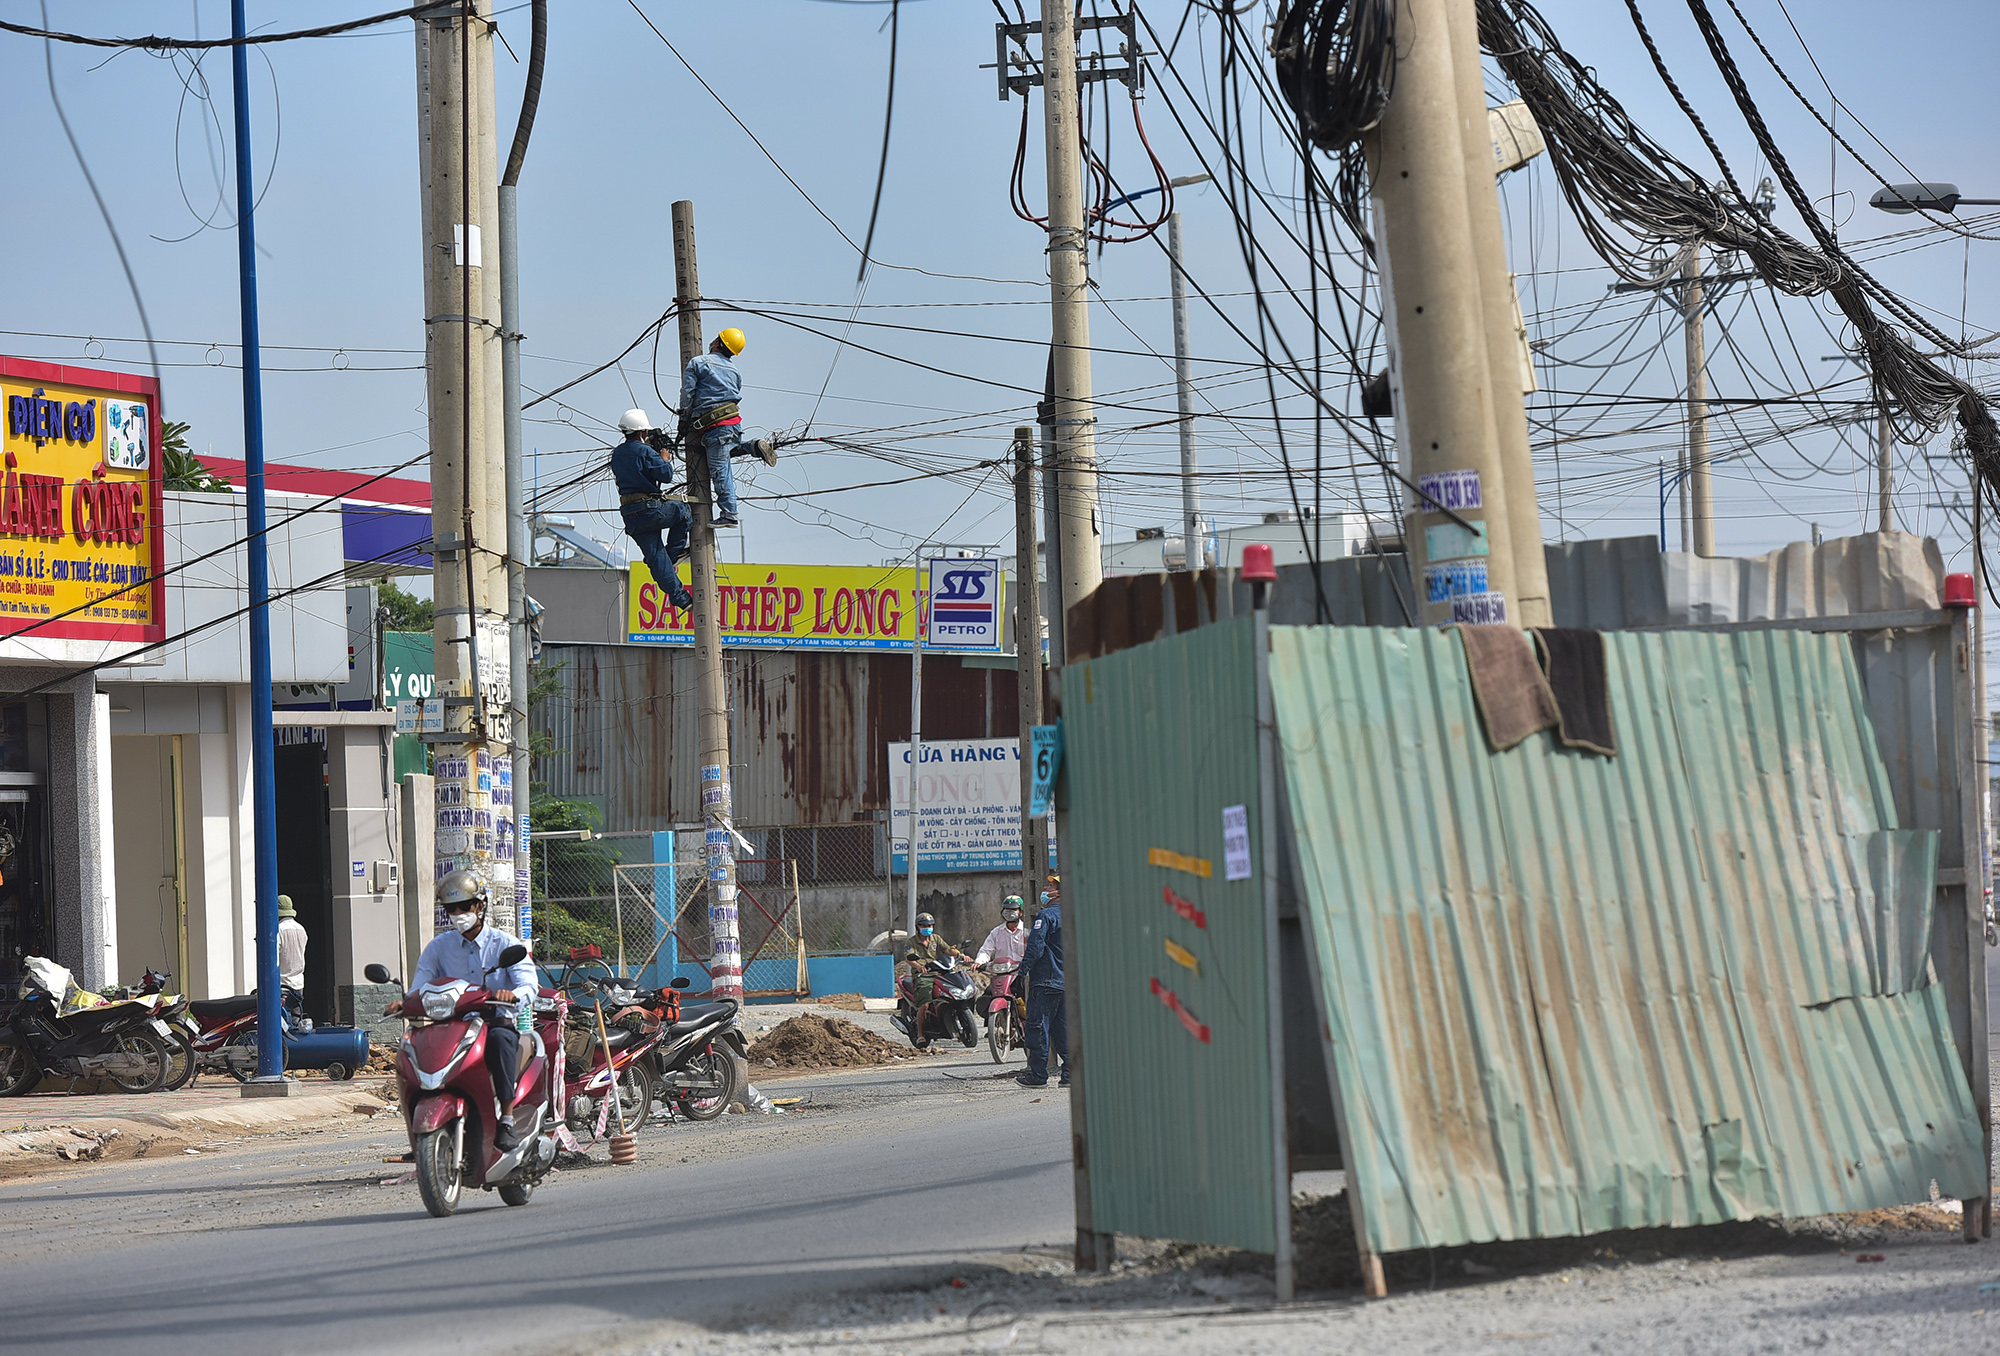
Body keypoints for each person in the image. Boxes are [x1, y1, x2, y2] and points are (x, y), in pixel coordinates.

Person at [385, 871, 538, 1151]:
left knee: (501, 1041)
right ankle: (419, 1128)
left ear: (480, 906)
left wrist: (512, 995)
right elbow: (421, 984)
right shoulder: (438, 948)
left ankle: (506, 1117)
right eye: (450, 909)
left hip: (493, 1022)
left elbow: (529, 984)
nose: (458, 914)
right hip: (450, 1026)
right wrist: (404, 1003)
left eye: (464, 906)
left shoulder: (506, 944)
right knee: (414, 1046)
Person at [678, 327, 776, 529]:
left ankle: (729, 513)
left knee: (720, 469)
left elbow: (687, 393)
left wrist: (683, 419)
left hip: (714, 426)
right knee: (726, 452)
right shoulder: (734, 371)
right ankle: (753, 446)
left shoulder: (698, 363)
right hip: (732, 424)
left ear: (718, 343)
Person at [611, 409, 694, 610]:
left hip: (630, 515)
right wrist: (664, 458)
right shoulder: (645, 451)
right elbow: (666, 475)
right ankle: (673, 554)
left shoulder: (617, 454)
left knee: (656, 556)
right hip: (650, 509)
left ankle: (680, 598)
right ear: (641, 433)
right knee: (684, 511)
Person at [1016, 880, 1067, 1088]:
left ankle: (1038, 1076)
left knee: (1038, 1027)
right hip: (1067, 983)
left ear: (1057, 892)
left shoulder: (1045, 916)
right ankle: (1070, 1075)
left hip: (1046, 980)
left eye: (1048, 887)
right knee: (1064, 1030)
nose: (1044, 890)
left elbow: (1035, 948)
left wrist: (1021, 973)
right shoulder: (1074, 916)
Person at [276, 894, 308, 1008]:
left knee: (282, 1020)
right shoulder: (301, 929)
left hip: (282, 985)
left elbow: (275, 957)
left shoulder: (279, 930)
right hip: (298, 983)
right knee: (295, 1019)